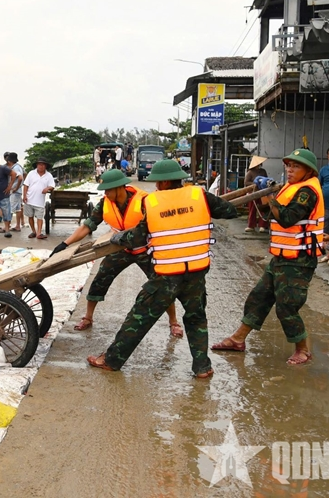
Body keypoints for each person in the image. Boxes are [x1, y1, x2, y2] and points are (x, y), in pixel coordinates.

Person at [87, 159, 238, 378]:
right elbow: (230, 211)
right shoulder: (200, 195)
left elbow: (137, 236)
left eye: (158, 182)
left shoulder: (153, 202)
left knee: (139, 316)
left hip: (166, 274)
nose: (156, 186)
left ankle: (111, 360)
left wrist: (118, 237)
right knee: (196, 318)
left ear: (166, 181)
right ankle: (202, 367)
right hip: (196, 272)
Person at [212, 149, 324, 366]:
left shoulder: (307, 192)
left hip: (298, 260)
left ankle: (303, 349)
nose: (290, 170)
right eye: (288, 165)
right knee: (259, 297)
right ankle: (237, 339)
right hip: (282, 257)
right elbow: (268, 209)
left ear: (308, 170)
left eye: (295, 166)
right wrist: (265, 192)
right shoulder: (290, 187)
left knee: (287, 306)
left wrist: (271, 196)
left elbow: (287, 218)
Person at [50, 169, 183, 337]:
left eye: (108, 189)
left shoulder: (144, 201)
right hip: (118, 248)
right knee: (100, 279)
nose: (105, 193)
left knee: (161, 283)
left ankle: (174, 322)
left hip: (144, 249)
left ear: (120, 187)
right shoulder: (105, 203)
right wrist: (64, 244)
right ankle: (88, 317)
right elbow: (87, 226)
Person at [23, 158, 56, 240]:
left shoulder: (48, 175)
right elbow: (26, 185)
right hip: (29, 199)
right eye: (39, 164)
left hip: (40, 201)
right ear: (37, 165)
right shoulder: (31, 173)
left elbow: (52, 186)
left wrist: (47, 188)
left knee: (39, 217)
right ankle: (33, 231)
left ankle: (39, 233)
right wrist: (24, 196)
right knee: (30, 216)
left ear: (45, 166)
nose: (41, 166)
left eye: (43, 164)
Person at [0, 153, 17, 238]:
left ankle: (7, 230)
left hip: (3, 195)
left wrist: (10, 186)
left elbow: (14, 174)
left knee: (6, 213)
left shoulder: (3, 168)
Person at [244, 156, 269, 233]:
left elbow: (266, 179)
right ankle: (251, 226)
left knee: (263, 209)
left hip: (262, 193)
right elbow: (246, 182)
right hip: (253, 193)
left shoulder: (263, 171)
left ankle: (263, 226)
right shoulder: (250, 172)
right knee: (252, 210)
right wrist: (255, 184)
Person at [7, 152, 25, 232]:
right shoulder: (19, 166)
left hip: (15, 191)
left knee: (10, 209)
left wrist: (15, 188)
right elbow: (24, 174)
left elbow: (20, 177)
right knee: (18, 209)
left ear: (9, 161)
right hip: (19, 191)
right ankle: (18, 225)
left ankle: (7, 225)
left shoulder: (15, 168)